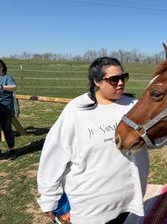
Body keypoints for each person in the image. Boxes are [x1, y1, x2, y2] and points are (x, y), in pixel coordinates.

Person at [37, 57, 150, 224]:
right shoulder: (77, 110)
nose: (120, 83)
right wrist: (49, 197)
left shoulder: (133, 106)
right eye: (113, 79)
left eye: (123, 77)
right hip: (91, 206)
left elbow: (155, 140)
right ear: (96, 81)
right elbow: (55, 154)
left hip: (129, 199)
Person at [0, 59, 17, 160]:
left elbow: (14, 87)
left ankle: (12, 151)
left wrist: (2, 87)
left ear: (2, 67)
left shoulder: (7, 77)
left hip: (6, 106)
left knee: (7, 129)